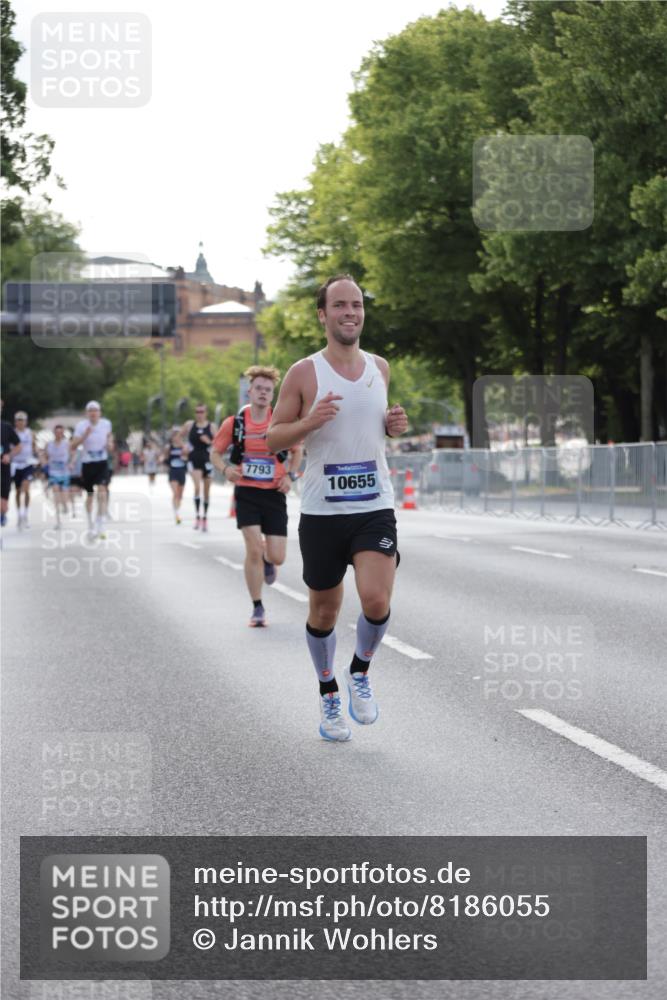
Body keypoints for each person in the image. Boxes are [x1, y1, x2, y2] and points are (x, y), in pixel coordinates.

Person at [267, 275, 408, 741]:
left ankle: (359, 673)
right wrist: (309, 422)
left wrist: (393, 426)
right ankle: (328, 693)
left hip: (374, 504)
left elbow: (374, 428)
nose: (351, 312)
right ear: (323, 315)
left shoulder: (380, 367)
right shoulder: (304, 373)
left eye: (357, 305)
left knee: (376, 599)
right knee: (325, 611)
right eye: (340, 305)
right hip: (323, 510)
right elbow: (272, 437)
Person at [211, 366, 303, 627]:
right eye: (258, 389)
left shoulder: (281, 422)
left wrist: (290, 476)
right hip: (247, 492)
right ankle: (257, 607)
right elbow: (215, 453)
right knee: (252, 548)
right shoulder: (235, 423)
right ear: (249, 392)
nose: (263, 393)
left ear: (273, 395)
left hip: (274, 493)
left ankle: (267, 559)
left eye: (268, 390)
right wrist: (226, 469)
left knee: (277, 557)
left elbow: (297, 452)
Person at [71, 401, 114, 538]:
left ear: (100, 412)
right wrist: (85, 435)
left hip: (101, 461)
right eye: (90, 411)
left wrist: (109, 444)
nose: (93, 413)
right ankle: (90, 525)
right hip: (87, 463)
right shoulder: (81, 426)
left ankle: (100, 522)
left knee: (102, 490)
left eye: (95, 410)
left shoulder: (106, 424)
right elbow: (73, 445)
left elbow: (110, 440)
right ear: (87, 413)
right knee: (90, 495)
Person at [182, 404, 217, 531]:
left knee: (206, 492)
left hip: (207, 459)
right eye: (197, 411)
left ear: (206, 412)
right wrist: (184, 447)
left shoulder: (211, 427)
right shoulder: (189, 425)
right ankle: (197, 516)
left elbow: (219, 443)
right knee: (197, 488)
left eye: (202, 411)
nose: (199, 414)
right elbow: (177, 437)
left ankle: (205, 518)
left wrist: (208, 441)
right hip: (194, 459)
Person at [11, 410, 38, 528]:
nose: (20, 422)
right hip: (16, 464)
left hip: (28, 464)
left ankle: (25, 513)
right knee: (17, 491)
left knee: (26, 487)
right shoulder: (12, 433)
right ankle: (19, 514)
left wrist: (38, 456)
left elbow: (34, 447)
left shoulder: (30, 433)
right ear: (15, 422)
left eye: (22, 420)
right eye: (18, 420)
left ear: (26, 422)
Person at [43, 425, 71, 527]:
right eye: (56, 432)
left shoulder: (67, 444)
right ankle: (58, 521)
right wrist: (45, 464)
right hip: (53, 472)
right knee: (56, 494)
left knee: (64, 496)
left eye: (60, 432)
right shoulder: (49, 444)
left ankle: (65, 505)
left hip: (65, 473)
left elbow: (74, 454)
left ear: (62, 433)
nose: (58, 434)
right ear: (54, 433)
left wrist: (72, 463)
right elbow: (44, 456)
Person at [1, 402, 21, 528]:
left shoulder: (6, 427)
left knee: (3, 506)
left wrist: (9, 455)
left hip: (4, 469)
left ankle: (2, 515)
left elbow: (19, 446)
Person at [163, 427, 189, 524]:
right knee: (175, 493)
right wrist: (163, 459)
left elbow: (187, 458)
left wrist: (184, 453)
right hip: (172, 471)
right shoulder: (168, 447)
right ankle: (176, 514)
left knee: (180, 495)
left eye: (178, 435)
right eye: (175, 435)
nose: (176, 437)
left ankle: (177, 509)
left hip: (181, 471)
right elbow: (165, 459)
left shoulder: (184, 446)